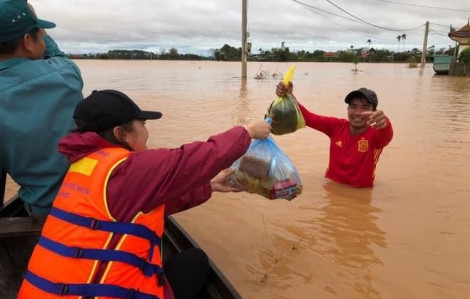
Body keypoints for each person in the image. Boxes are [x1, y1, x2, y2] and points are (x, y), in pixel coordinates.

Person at [18, 89, 271, 299]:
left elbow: (143, 205)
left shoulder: (85, 166)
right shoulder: (126, 168)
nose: (148, 133)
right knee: (194, 263)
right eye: (143, 125)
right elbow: (192, 159)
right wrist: (246, 133)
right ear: (122, 134)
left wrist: (210, 186)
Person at [0, 0, 83, 219]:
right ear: (28, 40)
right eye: (40, 31)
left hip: (43, 211)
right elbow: (55, 54)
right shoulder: (66, 74)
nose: (44, 35)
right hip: (88, 200)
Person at [276, 82, 393, 187]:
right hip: (331, 187)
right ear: (347, 109)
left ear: (374, 112)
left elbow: (386, 135)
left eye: (365, 108)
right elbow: (308, 118)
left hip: (361, 193)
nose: (358, 113)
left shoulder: (376, 135)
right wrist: (289, 96)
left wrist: (385, 122)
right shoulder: (336, 126)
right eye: (353, 107)